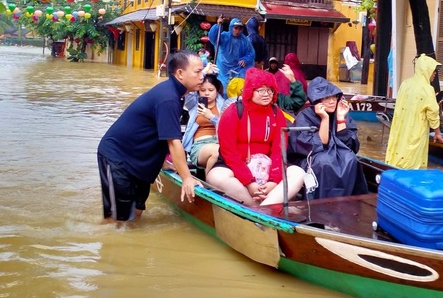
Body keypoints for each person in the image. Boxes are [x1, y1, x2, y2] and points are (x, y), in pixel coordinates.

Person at [97, 50, 204, 222]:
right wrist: (187, 178)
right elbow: (173, 141)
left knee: (136, 212)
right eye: (198, 72)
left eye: (202, 71)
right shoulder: (168, 97)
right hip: (117, 157)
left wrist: (164, 164)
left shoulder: (177, 95)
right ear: (180, 74)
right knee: (116, 220)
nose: (202, 76)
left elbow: (156, 132)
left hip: (140, 160)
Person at [206, 68, 305, 207]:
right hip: (236, 166)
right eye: (260, 90)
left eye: (270, 90)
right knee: (216, 177)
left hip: (267, 166)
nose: (266, 94)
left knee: (298, 173)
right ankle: (264, 206)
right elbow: (229, 153)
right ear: (249, 91)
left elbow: (279, 150)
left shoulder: (277, 114)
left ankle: (264, 208)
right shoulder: (233, 112)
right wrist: (249, 182)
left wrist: (272, 181)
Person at [288, 77, 369, 199]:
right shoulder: (304, 116)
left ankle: (349, 200)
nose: (332, 101)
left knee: (351, 159)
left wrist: (341, 118)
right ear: (317, 100)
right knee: (324, 162)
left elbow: (348, 146)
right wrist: (324, 118)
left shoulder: (341, 112)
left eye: (334, 97)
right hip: (312, 158)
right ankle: (321, 202)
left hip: (338, 156)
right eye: (327, 98)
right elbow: (318, 145)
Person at [385, 53, 443, 169]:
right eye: (433, 70)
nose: (435, 73)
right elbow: (432, 113)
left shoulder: (405, 84)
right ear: (426, 70)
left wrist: (431, 100)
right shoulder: (428, 89)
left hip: (400, 129)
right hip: (416, 131)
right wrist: (437, 132)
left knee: (398, 153)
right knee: (413, 161)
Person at [182, 73, 225, 173]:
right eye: (202, 90)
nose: (206, 93)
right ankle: (209, 182)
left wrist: (212, 118)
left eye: (211, 90)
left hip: (220, 142)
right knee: (217, 151)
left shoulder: (224, 105)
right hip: (200, 145)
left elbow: (228, 127)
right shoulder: (193, 104)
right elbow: (186, 89)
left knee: (221, 150)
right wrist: (203, 73)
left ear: (217, 90)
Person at [214, 17, 255, 91]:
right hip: (223, 68)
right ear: (231, 27)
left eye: (239, 29)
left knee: (236, 89)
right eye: (235, 28)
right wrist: (217, 26)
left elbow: (251, 52)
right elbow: (213, 38)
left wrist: (245, 59)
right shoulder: (224, 36)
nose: (237, 31)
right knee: (222, 89)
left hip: (237, 69)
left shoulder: (244, 40)